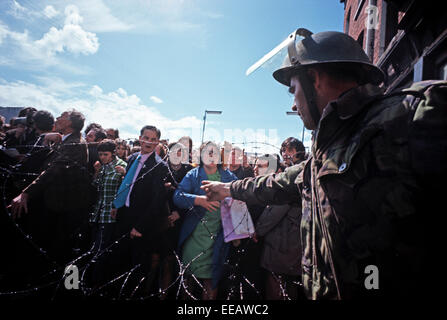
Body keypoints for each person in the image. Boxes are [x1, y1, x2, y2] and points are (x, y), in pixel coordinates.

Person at [201, 30, 447, 299]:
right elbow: (275, 185)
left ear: (314, 80)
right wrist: (227, 189)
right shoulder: (323, 154)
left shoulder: (414, 116)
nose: (294, 105)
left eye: (293, 90)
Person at [9, 109, 95, 264]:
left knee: (56, 252)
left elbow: (53, 171)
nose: (57, 118)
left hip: (61, 208)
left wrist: (26, 193)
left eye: (61, 116)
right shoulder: (66, 140)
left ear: (69, 123)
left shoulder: (75, 144)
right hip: (52, 203)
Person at [173, 141, 237, 300]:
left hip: (218, 236)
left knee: (212, 279)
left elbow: (239, 201)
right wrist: (198, 200)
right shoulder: (193, 175)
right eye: (208, 152)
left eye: (214, 152)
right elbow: (177, 197)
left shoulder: (228, 176)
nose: (211, 155)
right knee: (188, 278)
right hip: (194, 236)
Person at [110, 125, 169, 297]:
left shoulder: (160, 166)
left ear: (157, 142)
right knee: (119, 261)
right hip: (123, 215)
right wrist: (117, 206)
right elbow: (127, 183)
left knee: (136, 267)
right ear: (140, 138)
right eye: (146, 138)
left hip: (141, 223)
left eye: (153, 139)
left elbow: (157, 201)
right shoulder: (133, 158)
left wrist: (141, 226)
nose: (148, 142)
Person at [89, 139, 127, 285]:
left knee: (102, 250)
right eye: (100, 154)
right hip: (98, 213)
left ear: (113, 153)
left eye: (105, 154)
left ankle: (97, 282)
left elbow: (126, 190)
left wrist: (124, 174)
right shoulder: (102, 166)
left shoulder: (122, 166)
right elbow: (95, 185)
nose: (102, 157)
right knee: (94, 249)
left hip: (111, 215)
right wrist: (96, 171)